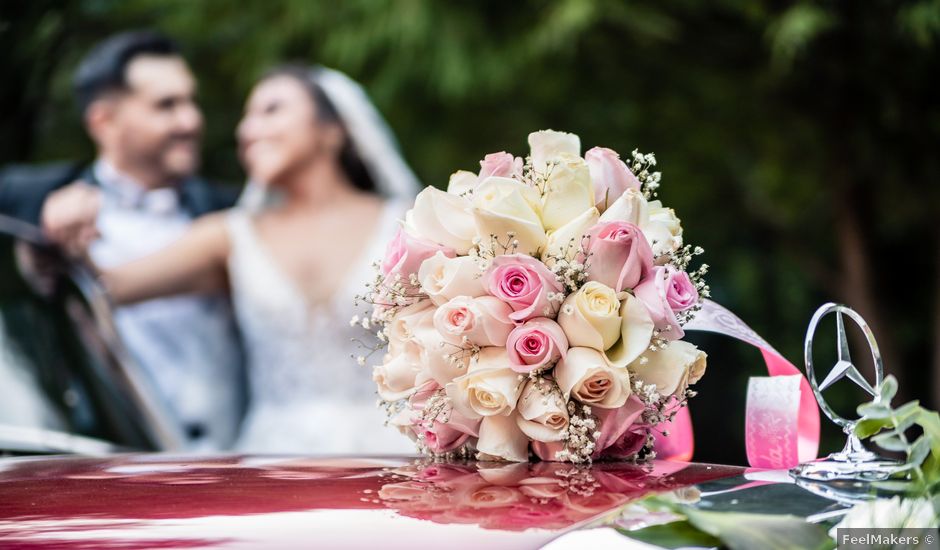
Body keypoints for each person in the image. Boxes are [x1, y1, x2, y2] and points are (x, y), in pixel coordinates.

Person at [82, 65, 420, 453]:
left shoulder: (409, 225)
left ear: (333, 129)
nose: (246, 131)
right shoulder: (227, 236)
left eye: (271, 110)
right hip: (273, 461)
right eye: (246, 118)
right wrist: (62, 228)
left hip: (397, 456)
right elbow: (103, 287)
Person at [0, 30, 245, 451]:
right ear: (103, 122)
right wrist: (42, 215)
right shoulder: (33, 197)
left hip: (240, 457)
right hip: (106, 467)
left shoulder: (234, 210)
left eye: (191, 101)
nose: (191, 121)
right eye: (166, 105)